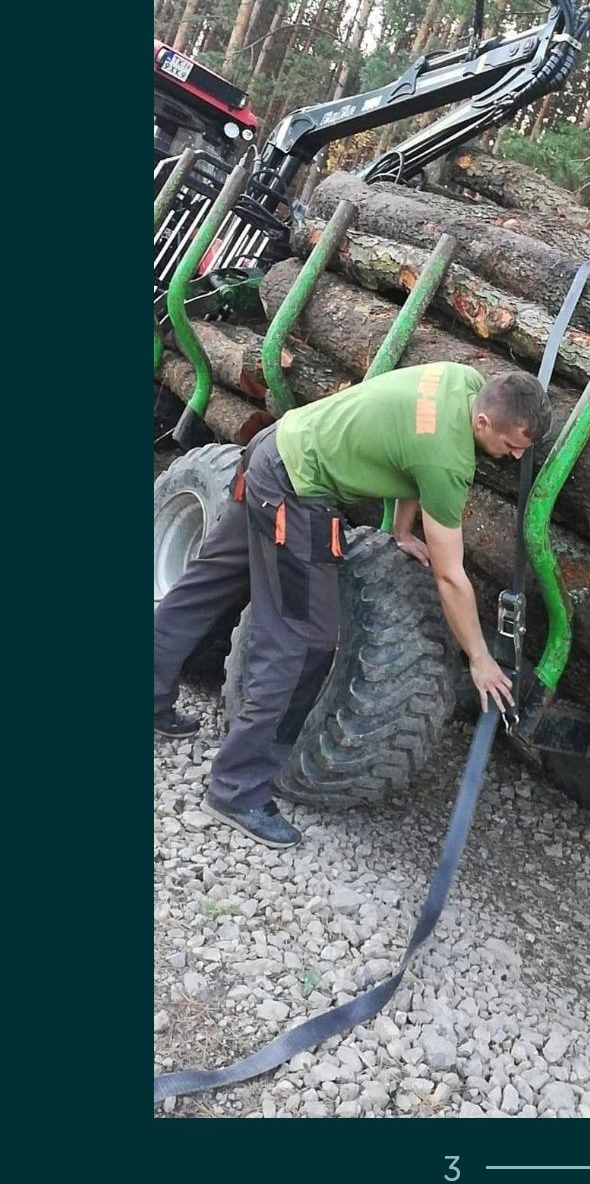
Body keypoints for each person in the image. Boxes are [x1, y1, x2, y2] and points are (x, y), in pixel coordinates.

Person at [154, 362, 551, 848]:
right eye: (512, 447)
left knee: (207, 585)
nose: (514, 458)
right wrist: (480, 658)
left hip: (277, 447)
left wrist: (402, 532)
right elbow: (450, 575)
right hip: (293, 491)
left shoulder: (463, 382)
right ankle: (236, 789)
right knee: (303, 644)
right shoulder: (448, 462)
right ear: (485, 423)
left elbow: (412, 456)